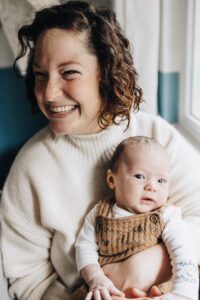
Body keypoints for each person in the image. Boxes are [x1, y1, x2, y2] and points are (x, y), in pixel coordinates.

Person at [0, 1, 200, 299]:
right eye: (41, 75)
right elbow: (28, 280)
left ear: (105, 73)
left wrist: (145, 265)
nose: (49, 93)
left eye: (68, 73)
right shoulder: (32, 167)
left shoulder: (155, 135)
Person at [75, 136, 199, 300]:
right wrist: (96, 278)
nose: (152, 187)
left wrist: (183, 293)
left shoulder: (167, 215)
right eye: (140, 176)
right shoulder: (100, 213)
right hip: (111, 289)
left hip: (159, 292)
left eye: (161, 180)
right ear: (112, 179)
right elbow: (84, 247)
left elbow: (184, 251)